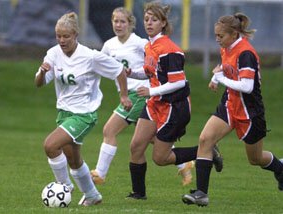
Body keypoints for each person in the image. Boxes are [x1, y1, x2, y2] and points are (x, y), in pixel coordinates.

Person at [182, 13, 283, 207]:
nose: (217, 40)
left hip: (249, 112)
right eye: (216, 35)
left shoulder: (246, 53)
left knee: (255, 158)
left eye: (221, 36)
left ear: (235, 33)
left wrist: (220, 79)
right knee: (205, 139)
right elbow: (225, 67)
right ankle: (201, 194)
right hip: (229, 104)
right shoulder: (227, 48)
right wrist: (215, 77)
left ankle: (280, 169)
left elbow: (247, 86)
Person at [125, 1, 223, 200]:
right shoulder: (149, 45)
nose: (149, 23)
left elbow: (177, 83)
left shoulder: (170, 49)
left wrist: (151, 91)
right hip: (156, 104)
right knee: (136, 146)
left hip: (174, 107)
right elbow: (150, 72)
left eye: (154, 20)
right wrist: (132, 73)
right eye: (146, 19)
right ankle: (138, 193)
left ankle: (205, 151)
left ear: (163, 23)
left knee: (160, 159)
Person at [35, 12, 132, 206]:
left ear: (75, 36)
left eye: (66, 36)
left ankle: (64, 186)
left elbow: (118, 70)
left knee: (50, 145)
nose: (61, 40)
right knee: (73, 159)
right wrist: (43, 72)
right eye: (59, 36)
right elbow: (39, 83)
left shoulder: (90, 56)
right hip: (64, 113)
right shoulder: (53, 53)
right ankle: (92, 195)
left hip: (83, 114)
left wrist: (123, 95)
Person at [90, 7, 195, 186]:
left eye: (123, 21)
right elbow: (104, 64)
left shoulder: (141, 43)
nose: (118, 25)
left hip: (140, 94)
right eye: (115, 21)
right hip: (142, 96)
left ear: (131, 24)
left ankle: (100, 173)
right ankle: (184, 163)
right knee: (151, 141)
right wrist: (129, 72)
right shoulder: (110, 45)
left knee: (109, 130)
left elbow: (172, 78)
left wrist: (147, 91)